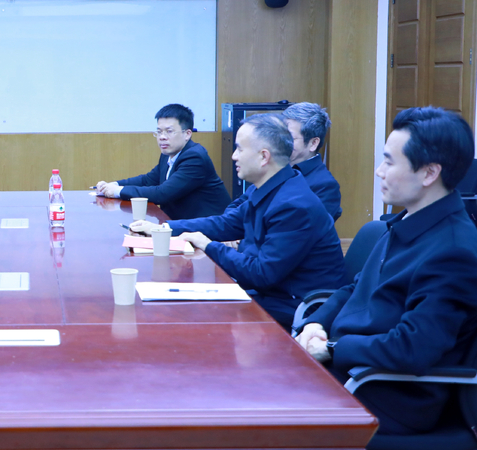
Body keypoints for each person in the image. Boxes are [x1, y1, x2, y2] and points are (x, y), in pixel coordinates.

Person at [217, 107, 477, 450]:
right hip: (354, 369)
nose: (379, 171)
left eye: (389, 161)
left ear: (429, 173)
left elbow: (411, 349)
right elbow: (353, 288)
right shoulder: (410, 223)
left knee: (233, 410)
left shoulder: (452, 251)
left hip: (389, 392)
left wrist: (331, 349)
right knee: (232, 397)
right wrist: (317, 324)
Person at [132, 114, 345, 330]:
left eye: (240, 149)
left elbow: (262, 274)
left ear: (264, 157)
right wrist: (164, 228)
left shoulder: (294, 205)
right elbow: (226, 224)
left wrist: (208, 245)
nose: (234, 156)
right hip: (267, 294)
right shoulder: (269, 187)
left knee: (191, 317)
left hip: (293, 307)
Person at [95, 103, 230, 219]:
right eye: (159, 132)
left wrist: (117, 191)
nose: (162, 137)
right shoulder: (168, 153)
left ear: (187, 134)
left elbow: (162, 194)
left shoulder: (195, 158)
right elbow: (147, 180)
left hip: (209, 229)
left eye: (169, 131)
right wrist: (113, 185)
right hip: (180, 223)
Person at [282, 102, 342, 222]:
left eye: (290, 138)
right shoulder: (275, 168)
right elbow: (244, 208)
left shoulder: (325, 186)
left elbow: (303, 228)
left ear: (313, 143)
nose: (282, 142)